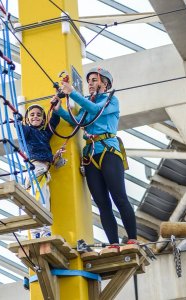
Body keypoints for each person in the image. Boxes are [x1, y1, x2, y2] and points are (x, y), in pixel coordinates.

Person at [53, 67, 137, 248]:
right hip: (90, 154)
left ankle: (132, 238)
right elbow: (79, 122)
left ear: (104, 83)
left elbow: (95, 109)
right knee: (102, 202)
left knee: (119, 197)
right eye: (89, 80)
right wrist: (60, 110)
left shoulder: (110, 100)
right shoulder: (87, 105)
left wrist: (73, 93)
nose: (90, 83)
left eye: (94, 80)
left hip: (108, 151)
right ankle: (113, 243)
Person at [21, 104, 60, 238]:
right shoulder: (28, 132)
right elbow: (20, 128)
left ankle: (40, 231)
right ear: (27, 120)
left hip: (43, 169)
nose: (35, 117)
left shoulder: (44, 133)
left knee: (44, 199)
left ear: (43, 119)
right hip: (35, 168)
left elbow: (54, 122)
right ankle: (40, 231)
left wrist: (56, 107)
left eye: (38, 115)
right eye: (32, 115)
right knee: (39, 199)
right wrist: (17, 118)